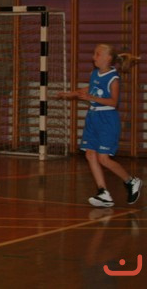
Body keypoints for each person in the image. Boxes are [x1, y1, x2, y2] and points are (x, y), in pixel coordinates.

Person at [59, 45, 142, 207]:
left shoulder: (113, 78)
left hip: (107, 120)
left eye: (97, 54)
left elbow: (113, 102)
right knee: (90, 154)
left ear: (108, 58)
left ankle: (131, 181)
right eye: (94, 53)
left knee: (103, 158)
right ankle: (103, 192)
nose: (93, 57)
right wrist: (71, 94)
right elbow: (90, 88)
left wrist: (91, 98)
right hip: (93, 118)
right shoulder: (95, 73)